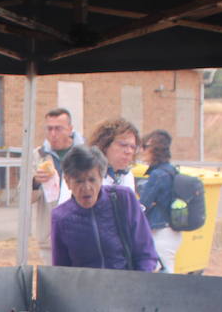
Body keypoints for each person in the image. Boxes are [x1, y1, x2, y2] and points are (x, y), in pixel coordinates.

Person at [50, 145, 159, 272]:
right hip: (85, 289)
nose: (87, 187)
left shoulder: (123, 199)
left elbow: (145, 251)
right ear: (68, 182)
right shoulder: (61, 217)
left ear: (101, 178)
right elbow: (61, 269)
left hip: (126, 286)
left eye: (92, 180)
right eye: (79, 181)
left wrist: (138, 282)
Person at [30, 107, 82, 264]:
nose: (53, 134)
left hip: (81, 233)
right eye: (49, 128)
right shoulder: (38, 155)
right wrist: (35, 182)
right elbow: (23, 198)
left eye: (58, 128)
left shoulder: (85, 154)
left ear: (70, 129)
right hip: (50, 237)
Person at [138, 129, 181, 273]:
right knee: (167, 269)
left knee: (163, 274)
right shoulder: (171, 170)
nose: (141, 151)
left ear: (152, 149)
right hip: (173, 230)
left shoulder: (158, 175)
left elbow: (143, 204)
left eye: (144, 147)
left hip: (161, 231)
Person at [90, 117, 141, 189]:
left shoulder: (128, 176)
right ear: (105, 145)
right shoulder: (88, 175)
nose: (129, 151)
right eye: (123, 145)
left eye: (133, 147)